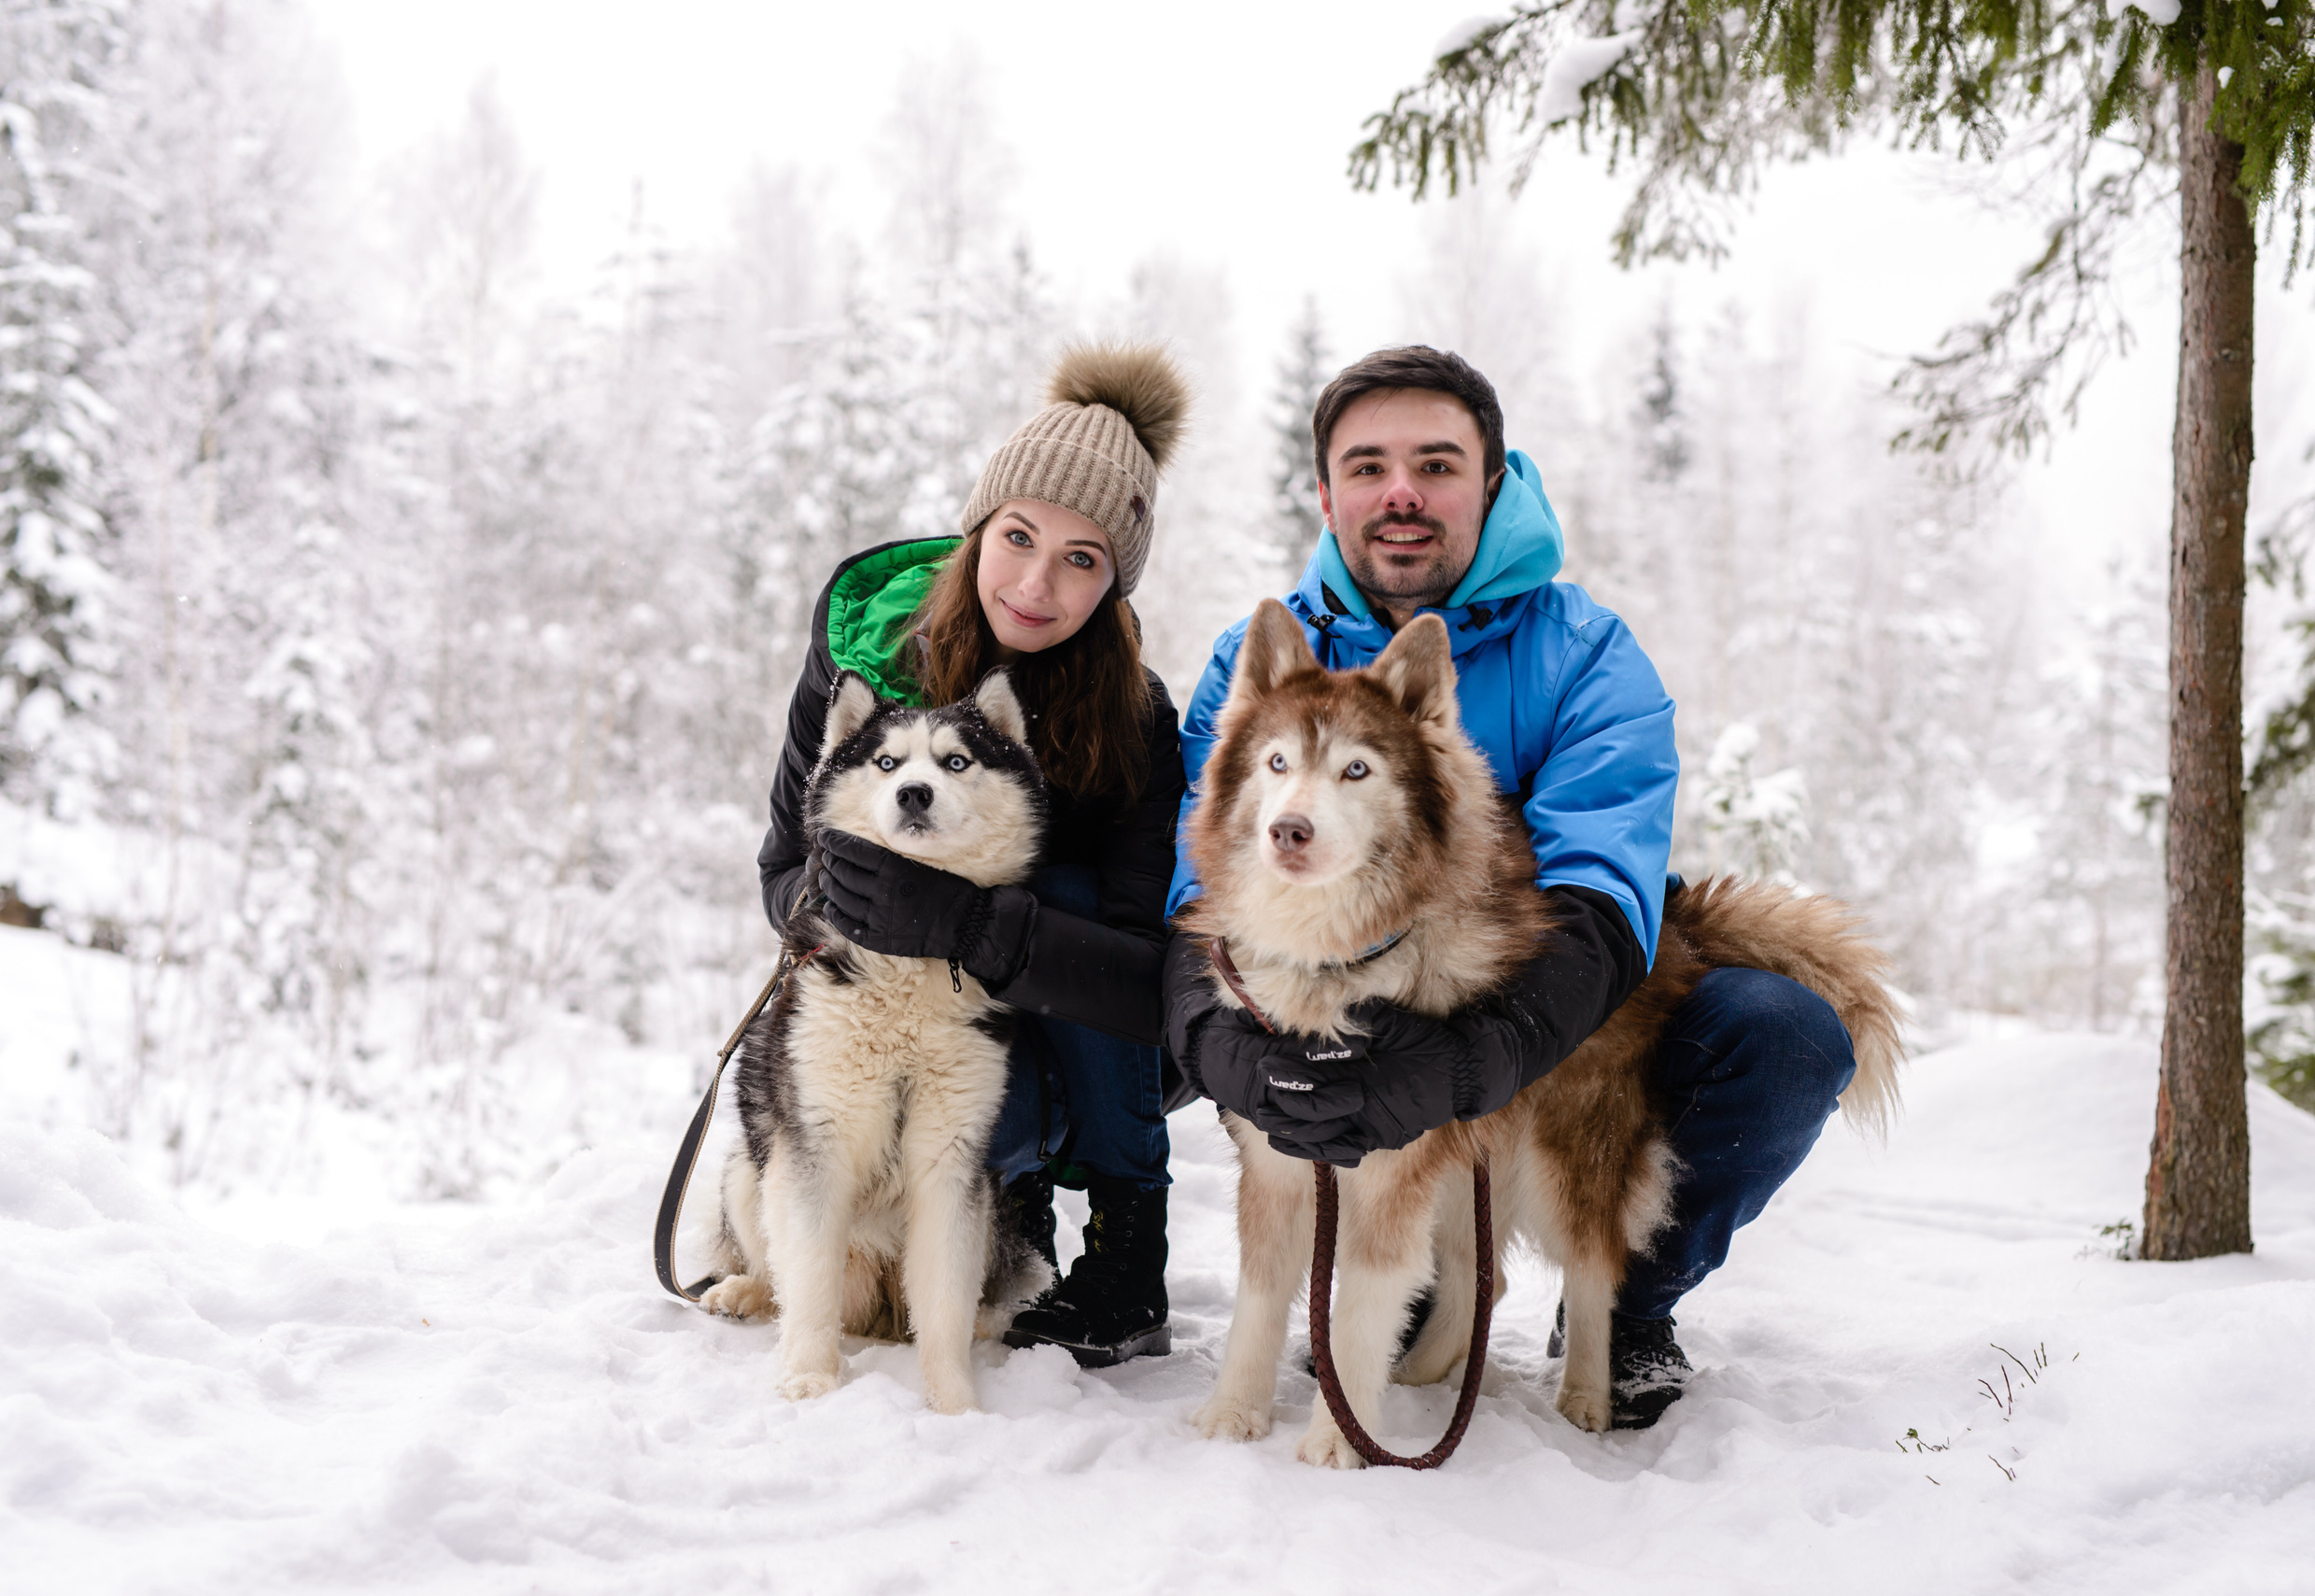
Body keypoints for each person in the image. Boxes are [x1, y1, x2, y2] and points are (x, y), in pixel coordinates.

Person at [1161, 346, 1858, 1428]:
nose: (1400, 492)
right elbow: (1192, 877)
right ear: (1327, 491)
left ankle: (1624, 1306)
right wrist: (1217, 1042)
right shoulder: (1256, 664)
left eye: (1435, 464)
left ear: (1491, 481)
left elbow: (1599, 895)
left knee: (1783, 1033)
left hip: (1547, 995)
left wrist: (1473, 1057)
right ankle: (1421, 1272)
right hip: (1324, 971)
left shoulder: (1584, 654)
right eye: (1369, 465)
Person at [757, 345, 1192, 1368]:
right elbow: (782, 864)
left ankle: (1127, 1252)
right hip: (892, 1009)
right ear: (978, 528)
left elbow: (1145, 981)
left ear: (1114, 584)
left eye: (1083, 559)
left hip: (1067, 1047)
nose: (1038, 584)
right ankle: (1000, 1220)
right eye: (1020, 537)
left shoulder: (1131, 717)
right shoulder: (867, 650)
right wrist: (838, 907)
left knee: (1072, 883)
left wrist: (968, 922)